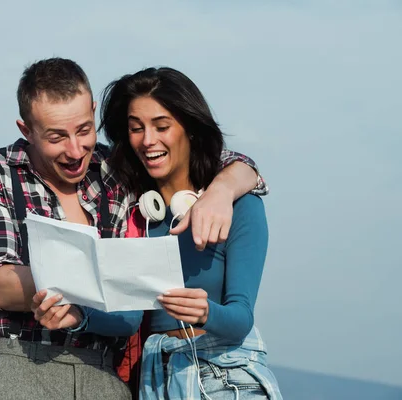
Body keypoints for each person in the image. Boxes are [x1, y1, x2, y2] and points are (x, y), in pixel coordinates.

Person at [0, 58, 268, 400]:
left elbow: (225, 162)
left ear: (91, 113)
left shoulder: (112, 170)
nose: (75, 151)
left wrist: (222, 190)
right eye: (57, 137)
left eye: (84, 130)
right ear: (26, 130)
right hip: (21, 364)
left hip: (109, 373)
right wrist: (96, 290)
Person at [100, 66, 283, 399]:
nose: (148, 140)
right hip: (156, 377)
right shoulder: (133, 215)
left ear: (190, 129)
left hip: (224, 375)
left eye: (162, 126)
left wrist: (206, 312)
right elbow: (127, 319)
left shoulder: (241, 205)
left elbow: (241, 318)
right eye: (136, 128)